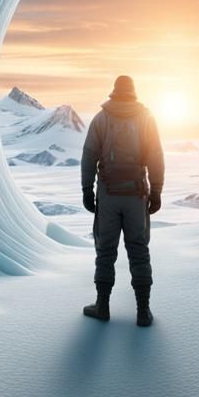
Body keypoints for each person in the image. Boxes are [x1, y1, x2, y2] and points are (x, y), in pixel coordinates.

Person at [80, 75, 164, 326]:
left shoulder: (101, 118)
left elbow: (89, 156)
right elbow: (156, 156)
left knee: (105, 250)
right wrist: (157, 190)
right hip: (137, 195)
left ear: (114, 92)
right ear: (134, 92)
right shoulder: (146, 118)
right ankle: (143, 311)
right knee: (139, 250)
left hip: (108, 195)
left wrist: (87, 189)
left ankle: (102, 306)